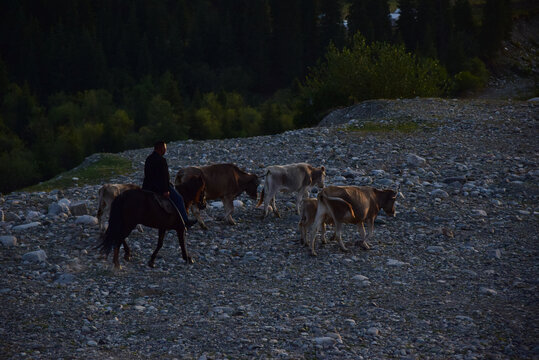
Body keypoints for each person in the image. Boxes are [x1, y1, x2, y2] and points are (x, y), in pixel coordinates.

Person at [142, 141, 197, 229]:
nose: (165, 150)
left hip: (147, 187)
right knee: (179, 199)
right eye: (165, 148)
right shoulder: (161, 160)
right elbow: (164, 177)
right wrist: (165, 190)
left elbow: (147, 175)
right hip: (160, 187)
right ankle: (185, 221)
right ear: (161, 148)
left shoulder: (149, 159)